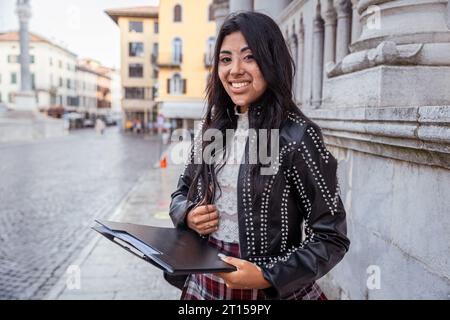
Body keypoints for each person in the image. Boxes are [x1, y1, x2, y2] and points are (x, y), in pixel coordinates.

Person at [168, 12, 350, 300]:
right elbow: (179, 193)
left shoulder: (298, 135)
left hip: (268, 289)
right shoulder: (213, 130)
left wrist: (268, 275)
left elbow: (332, 237)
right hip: (204, 284)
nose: (234, 70)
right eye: (225, 59)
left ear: (271, 62)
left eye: (249, 57)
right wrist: (188, 215)